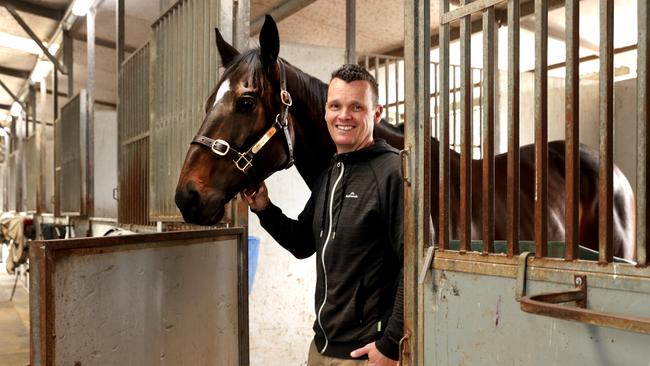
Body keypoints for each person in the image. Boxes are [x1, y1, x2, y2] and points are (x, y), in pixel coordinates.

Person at [242, 64, 403, 366]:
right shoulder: (330, 174)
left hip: (365, 355)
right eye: (335, 106)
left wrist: (390, 346)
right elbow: (303, 243)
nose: (344, 116)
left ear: (376, 114)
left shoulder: (394, 172)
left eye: (357, 107)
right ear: (326, 112)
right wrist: (264, 207)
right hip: (321, 347)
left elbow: (415, 265)